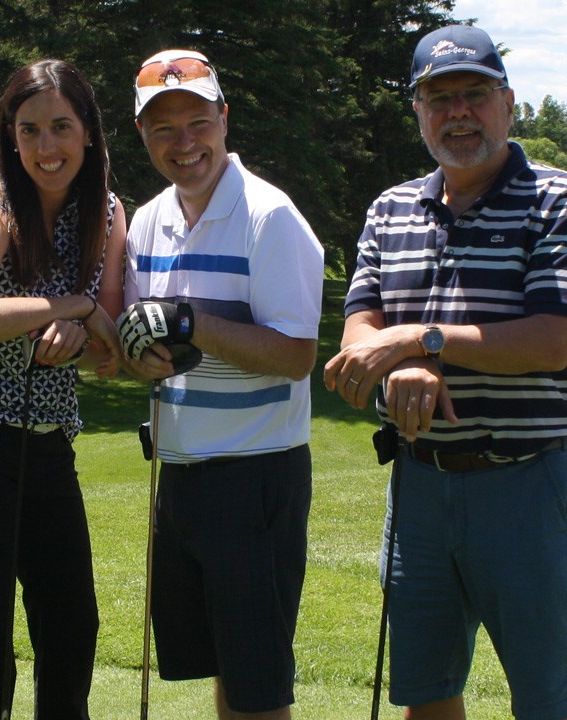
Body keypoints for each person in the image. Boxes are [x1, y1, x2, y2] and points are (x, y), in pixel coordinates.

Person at [323, 25, 567, 720]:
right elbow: (359, 334)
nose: (458, 112)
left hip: (526, 485)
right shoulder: (390, 210)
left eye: (475, 94)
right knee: (425, 692)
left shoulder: (558, 199)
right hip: (418, 486)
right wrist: (395, 371)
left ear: (508, 103)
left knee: (546, 701)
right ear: (418, 111)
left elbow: (549, 340)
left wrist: (421, 341)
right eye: (438, 98)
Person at [119, 49, 324, 720]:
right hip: (179, 474)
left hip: (255, 477)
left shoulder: (271, 218)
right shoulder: (148, 221)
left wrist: (190, 323)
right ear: (142, 133)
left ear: (224, 119)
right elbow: (142, 340)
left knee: (256, 686)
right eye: (163, 128)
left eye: (197, 122)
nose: (184, 144)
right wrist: (140, 354)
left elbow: (296, 355)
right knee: (220, 667)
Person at [0, 59, 125, 719]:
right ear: (10, 137)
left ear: (89, 133)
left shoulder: (108, 212)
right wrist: (67, 306)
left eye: (61, 127)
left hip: (46, 449)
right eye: (28, 130)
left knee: (71, 629)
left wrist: (84, 332)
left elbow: (109, 352)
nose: (45, 147)